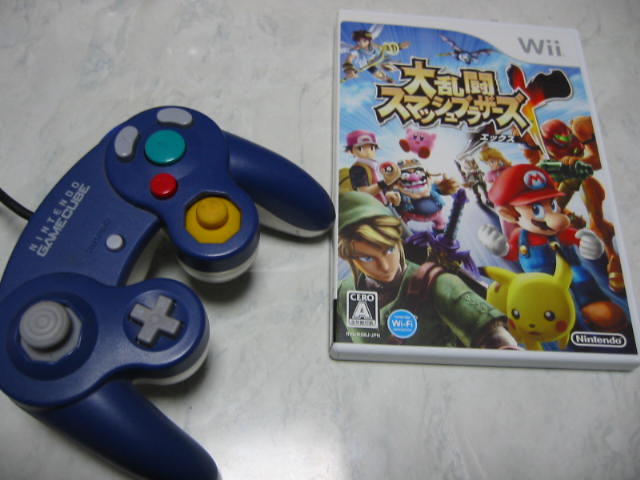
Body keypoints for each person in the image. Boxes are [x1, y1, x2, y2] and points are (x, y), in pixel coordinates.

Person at [336, 191, 517, 348]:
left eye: (389, 250)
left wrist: (503, 349)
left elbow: (490, 333)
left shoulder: (435, 283)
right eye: (367, 258)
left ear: (398, 242)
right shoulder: (345, 290)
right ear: (349, 257)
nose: (384, 266)